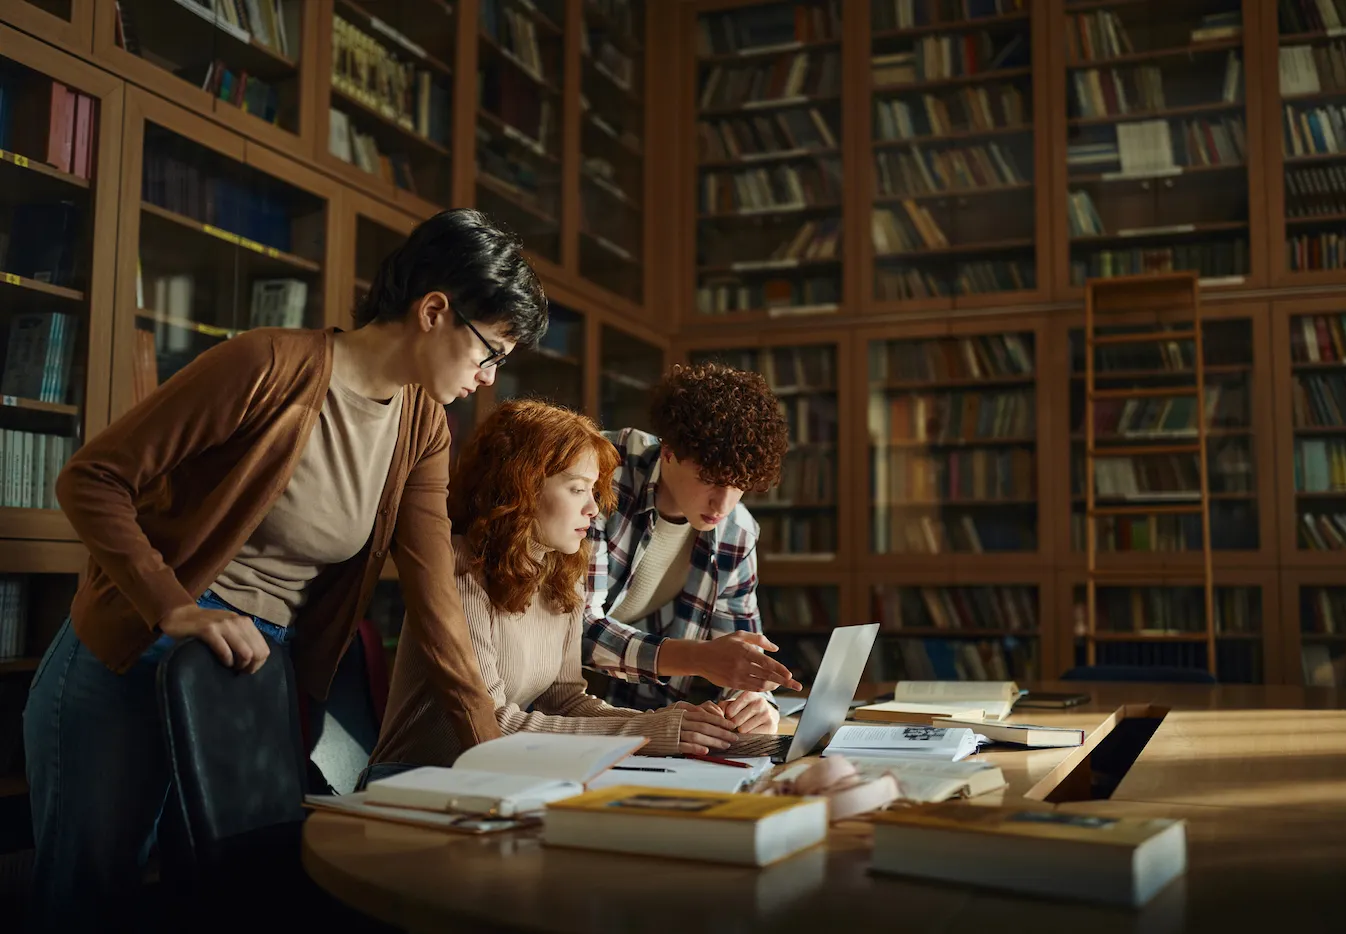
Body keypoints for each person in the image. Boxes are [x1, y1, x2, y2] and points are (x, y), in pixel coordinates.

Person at [22, 208, 545, 930]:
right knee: (90, 894)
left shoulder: (423, 425)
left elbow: (437, 608)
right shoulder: (267, 364)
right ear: (433, 311)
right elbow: (91, 479)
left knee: (215, 897)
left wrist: (495, 763)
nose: (488, 378)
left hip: (250, 676)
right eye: (490, 352)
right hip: (139, 648)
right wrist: (174, 605)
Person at [366, 400, 742, 782]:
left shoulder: (560, 572)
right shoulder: (461, 567)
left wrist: (670, 723)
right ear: (522, 488)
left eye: (594, 491)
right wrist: (652, 732)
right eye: (578, 489)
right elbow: (495, 725)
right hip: (410, 781)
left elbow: (565, 701)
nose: (594, 508)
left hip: (494, 781)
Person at [584, 362, 799, 733]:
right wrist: (697, 658)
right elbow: (572, 629)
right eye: (710, 481)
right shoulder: (599, 473)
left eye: (739, 486)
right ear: (668, 450)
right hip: (545, 701)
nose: (723, 505)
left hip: (636, 714)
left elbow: (742, 647)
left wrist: (758, 702)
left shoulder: (738, 530)